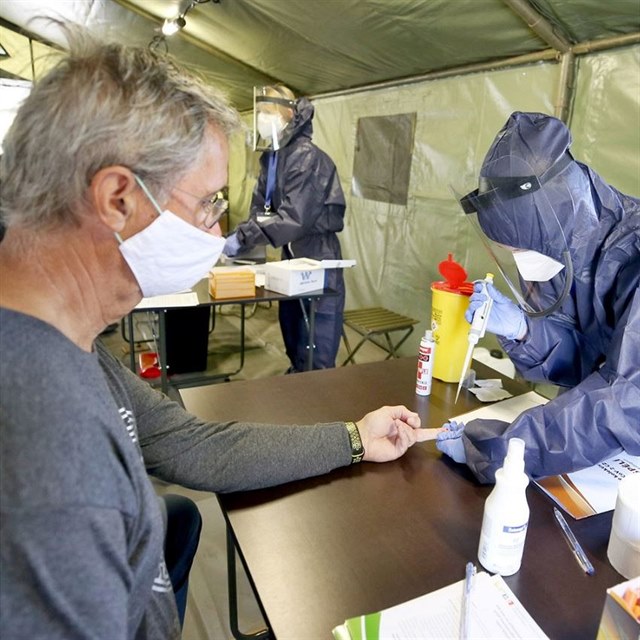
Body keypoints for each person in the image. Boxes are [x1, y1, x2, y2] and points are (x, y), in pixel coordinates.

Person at [0, 25, 428, 639]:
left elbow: (188, 444)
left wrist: (353, 439)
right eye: (206, 202)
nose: (216, 224)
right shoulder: (47, 458)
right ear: (118, 198)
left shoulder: (66, 344)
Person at [436, 111, 640, 484]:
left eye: (522, 249)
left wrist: (498, 448)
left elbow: (627, 401)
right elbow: (587, 359)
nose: (522, 262)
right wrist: (524, 331)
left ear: (558, 216)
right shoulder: (569, 247)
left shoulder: (629, 255)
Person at [223, 84, 346, 373]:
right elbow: (261, 209)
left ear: (288, 114)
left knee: (317, 340)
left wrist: (242, 237)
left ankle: (317, 395)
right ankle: (298, 385)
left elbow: (294, 218)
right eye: (259, 113)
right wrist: (243, 235)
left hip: (318, 259)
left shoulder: (306, 158)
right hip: (292, 257)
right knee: (292, 331)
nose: (262, 120)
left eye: (267, 112)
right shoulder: (273, 158)